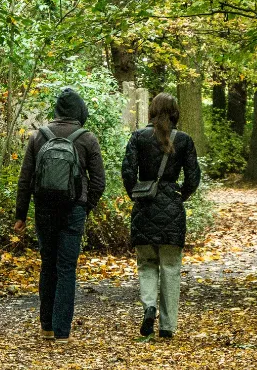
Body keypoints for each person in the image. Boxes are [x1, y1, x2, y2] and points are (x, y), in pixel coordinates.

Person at [14, 87, 106, 344]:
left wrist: (20, 215)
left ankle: (46, 327)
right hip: (73, 210)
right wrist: (84, 207)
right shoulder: (86, 138)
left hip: (44, 210)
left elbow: (25, 179)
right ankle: (62, 331)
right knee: (66, 268)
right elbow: (99, 182)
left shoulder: (38, 137)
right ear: (79, 111)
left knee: (48, 265)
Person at [121, 93, 201, 339]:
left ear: (152, 112)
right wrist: (179, 196)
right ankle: (167, 325)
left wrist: (136, 193)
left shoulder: (138, 137)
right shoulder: (184, 140)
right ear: (176, 113)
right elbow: (193, 177)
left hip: (144, 207)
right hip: (172, 209)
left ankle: (149, 306)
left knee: (146, 264)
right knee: (170, 267)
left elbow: (127, 171)